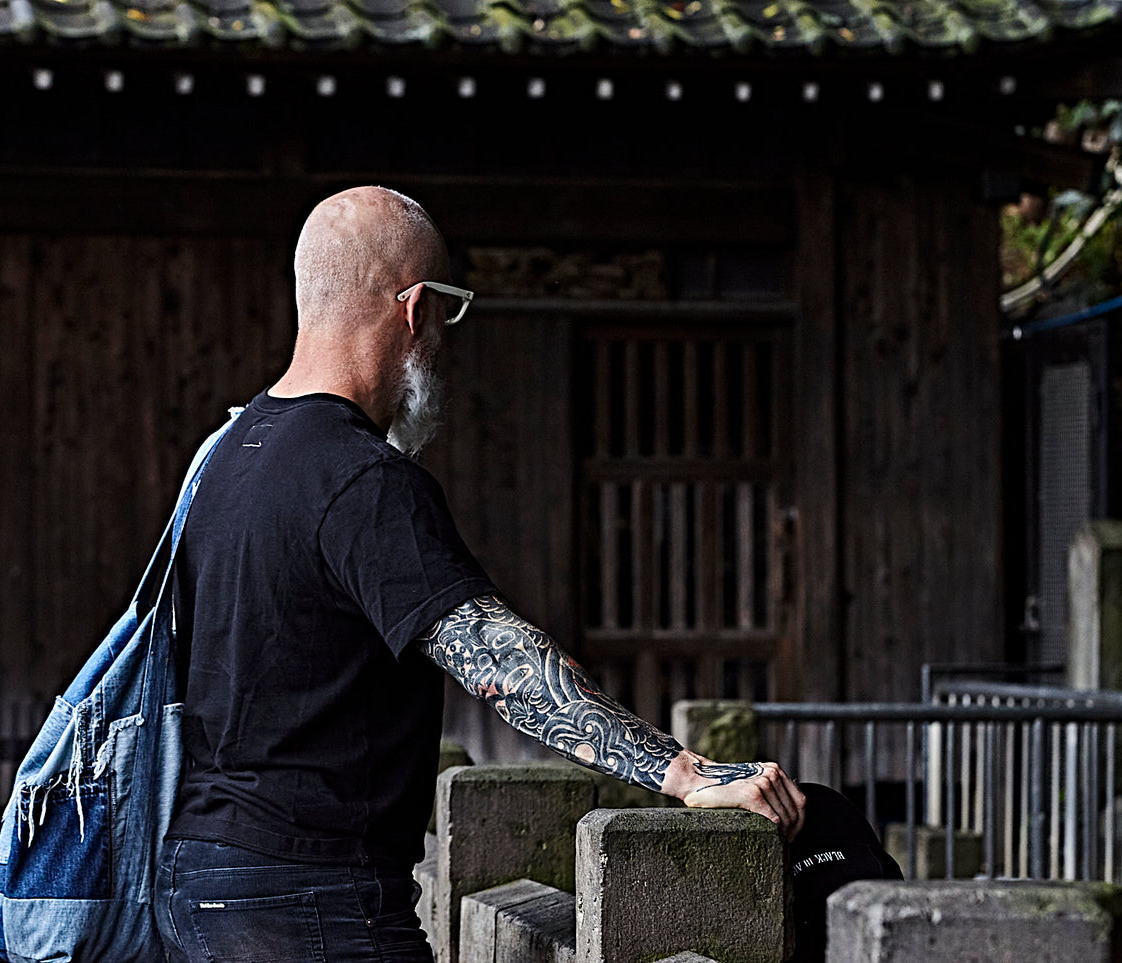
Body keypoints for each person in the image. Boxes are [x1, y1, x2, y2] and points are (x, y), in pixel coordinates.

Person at [153, 186, 806, 963]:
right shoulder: (362, 479)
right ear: (416, 310)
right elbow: (500, 662)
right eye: (448, 314)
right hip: (310, 901)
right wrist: (685, 772)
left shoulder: (222, 458)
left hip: (193, 887)